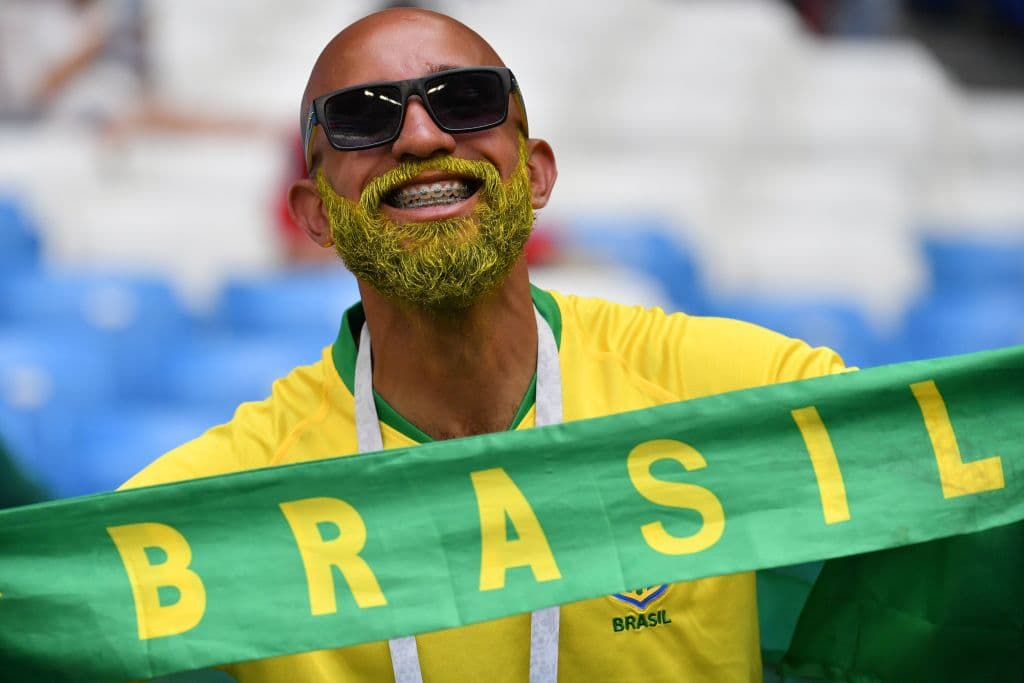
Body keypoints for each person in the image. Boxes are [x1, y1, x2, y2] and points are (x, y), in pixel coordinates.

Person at [122, 8, 844, 682]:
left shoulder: (728, 388)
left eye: (464, 100)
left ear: (535, 174)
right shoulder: (234, 494)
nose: (421, 138)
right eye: (361, 119)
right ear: (316, 215)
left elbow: (930, 481)